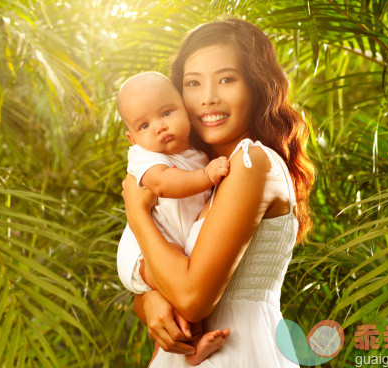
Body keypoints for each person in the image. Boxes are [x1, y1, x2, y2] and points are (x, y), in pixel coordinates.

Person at [121, 18, 316, 367]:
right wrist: (148, 301)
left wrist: (137, 214)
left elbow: (192, 297)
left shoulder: (251, 161)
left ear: (257, 86)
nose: (208, 98)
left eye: (227, 79)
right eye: (193, 83)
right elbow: (170, 278)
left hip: (240, 354)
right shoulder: (194, 172)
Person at [116, 72, 231, 366]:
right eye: (144, 125)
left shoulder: (195, 154)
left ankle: (190, 349)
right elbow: (166, 184)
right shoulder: (144, 158)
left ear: (186, 111)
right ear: (133, 138)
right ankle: (193, 347)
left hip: (169, 246)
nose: (160, 126)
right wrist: (206, 177)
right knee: (177, 273)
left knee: (174, 295)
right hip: (141, 255)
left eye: (167, 112)